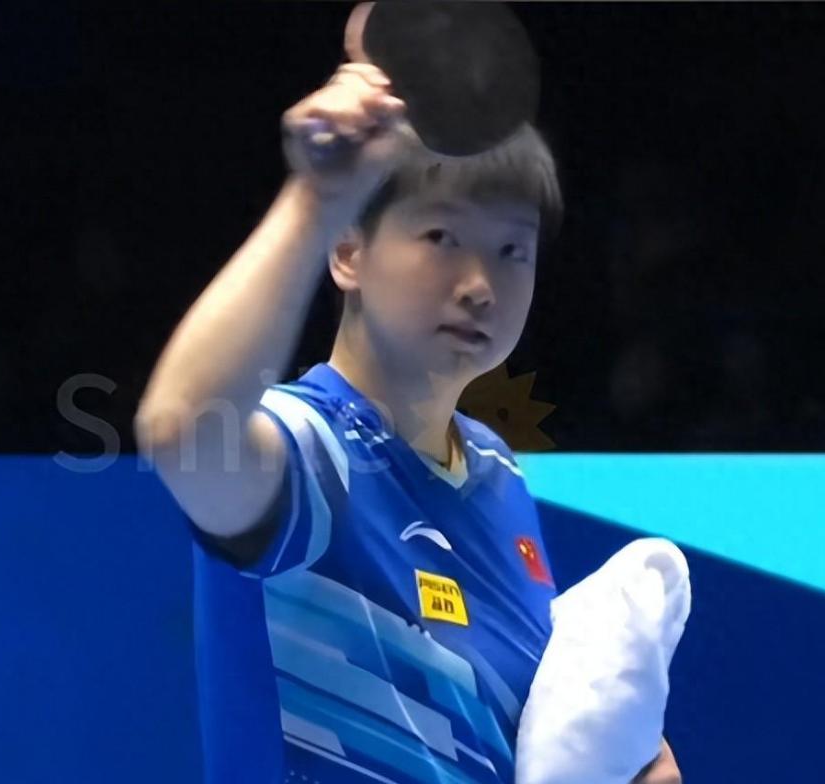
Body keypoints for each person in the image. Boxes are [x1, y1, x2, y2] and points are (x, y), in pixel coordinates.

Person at [135, 61, 679, 784]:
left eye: (512, 250)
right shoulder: (313, 454)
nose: (481, 286)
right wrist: (315, 197)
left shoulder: (495, 470)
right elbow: (182, 429)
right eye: (442, 237)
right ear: (348, 251)